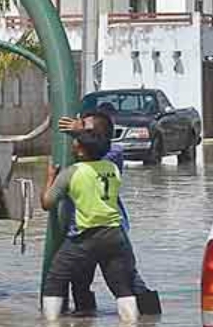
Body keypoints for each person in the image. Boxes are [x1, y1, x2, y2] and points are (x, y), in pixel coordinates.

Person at [58, 108, 159, 316]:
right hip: (82, 230)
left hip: (111, 230)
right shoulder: (77, 160)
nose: (80, 135)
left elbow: (98, 154)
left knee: (128, 278)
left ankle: (150, 319)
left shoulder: (113, 155)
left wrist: (79, 133)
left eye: (87, 130)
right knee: (80, 281)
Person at [41, 128, 140, 321]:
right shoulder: (112, 169)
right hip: (114, 233)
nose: (72, 145)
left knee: (55, 278)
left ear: (81, 150)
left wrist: (50, 178)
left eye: (75, 143)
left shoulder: (72, 172)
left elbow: (47, 203)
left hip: (85, 235)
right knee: (121, 285)